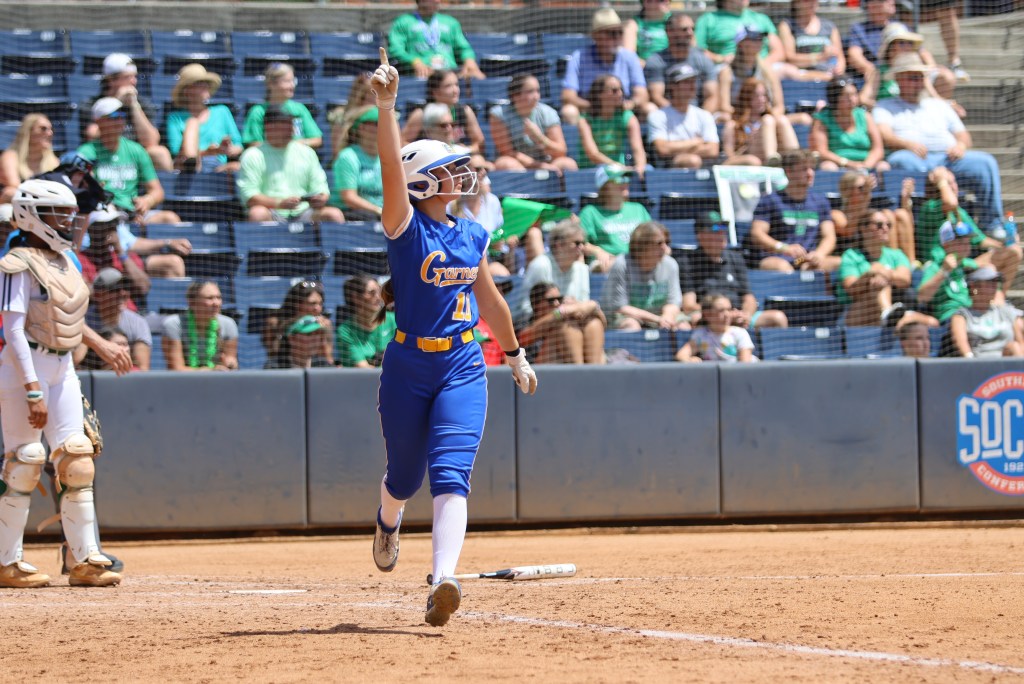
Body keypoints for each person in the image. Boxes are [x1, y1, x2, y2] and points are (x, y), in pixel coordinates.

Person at [368, 48, 536, 627]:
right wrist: (387, 108)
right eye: (447, 169)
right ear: (422, 183)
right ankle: (388, 521)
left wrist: (514, 354)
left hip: (463, 361)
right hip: (409, 364)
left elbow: (490, 301)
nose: (460, 174)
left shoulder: (469, 231)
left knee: (451, 472)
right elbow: (390, 170)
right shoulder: (406, 226)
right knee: (404, 476)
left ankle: (443, 580)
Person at [0, 179, 121, 588]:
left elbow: (66, 316)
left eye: (68, 214)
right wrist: (32, 388)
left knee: (77, 459)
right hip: (24, 367)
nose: (67, 221)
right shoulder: (16, 262)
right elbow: (14, 331)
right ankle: (6, 561)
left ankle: (85, 559)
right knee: (26, 461)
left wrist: (100, 344)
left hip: (62, 364)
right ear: (32, 215)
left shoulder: (65, 259)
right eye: (58, 214)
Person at [872, 55, 1005, 234]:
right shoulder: (884, 105)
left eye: (921, 77)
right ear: (899, 79)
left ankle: (993, 225)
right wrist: (907, 144)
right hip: (915, 159)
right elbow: (884, 135)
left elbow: (963, 136)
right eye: (913, 77)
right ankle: (914, 224)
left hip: (949, 159)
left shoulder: (939, 105)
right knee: (900, 160)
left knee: (985, 162)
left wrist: (960, 146)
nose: (919, 82)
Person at [77, 98, 180, 226]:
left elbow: (157, 191)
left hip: (133, 211)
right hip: (103, 211)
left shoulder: (136, 150)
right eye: (114, 116)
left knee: (170, 218)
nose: (120, 120)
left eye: (122, 115)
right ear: (99, 121)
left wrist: (147, 201)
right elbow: (84, 191)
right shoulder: (86, 152)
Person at [679, 211, 788, 329]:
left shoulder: (736, 258)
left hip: (738, 315)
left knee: (777, 318)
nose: (722, 233)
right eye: (715, 229)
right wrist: (723, 313)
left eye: (723, 228)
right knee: (694, 318)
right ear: (700, 236)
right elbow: (689, 305)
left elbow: (749, 298)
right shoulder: (687, 262)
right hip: (710, 318)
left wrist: (745, 315)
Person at [237, 105, 343, 224]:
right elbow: (249, 196)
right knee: (257, 213)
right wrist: (279, 203)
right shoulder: (252, 155)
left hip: (304, 212)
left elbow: (320, 187)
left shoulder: (307, 152)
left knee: (333, 214)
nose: (291, 129)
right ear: (269, 127)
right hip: (271, 211)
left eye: (291, 124)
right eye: (285, 124)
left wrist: (321, 198)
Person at [915, 166, 1020, 285]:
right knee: (990, 267)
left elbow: (981, 240)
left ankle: (999, 296)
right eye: (948, 183)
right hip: (939, 266)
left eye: (954, 182)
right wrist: (941, 181)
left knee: (1014, 251)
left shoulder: (959, 212)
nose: (954, 187)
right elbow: (950, 203)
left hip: (963, 263)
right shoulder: (930, 207)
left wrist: (1006, 244)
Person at [836, 209, 938, 328]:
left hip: (895, 311)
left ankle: (893, 316)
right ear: (863, 228)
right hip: (857, 313)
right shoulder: (851, 255)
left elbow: (905, 279)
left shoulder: (896, 254)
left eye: (888, 225)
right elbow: (850, 288)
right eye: (879, 225)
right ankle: (887, 313)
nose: (885, 228)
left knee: (933, 322)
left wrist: (881, 271)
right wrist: (869, 275)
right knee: (880, 282)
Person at [749, 149, 839, 272]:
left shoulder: (820, 202)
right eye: (804, 169)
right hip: (778, 258)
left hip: (808, 260)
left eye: (812, 168)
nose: (810, 173)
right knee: (782, 267)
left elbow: (829, 236)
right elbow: (757, 234)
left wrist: (819, 254)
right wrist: (784, 248)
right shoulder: (770, 200)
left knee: (841, 263)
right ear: (789, 172)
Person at [81, 53, 172, 171]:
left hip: (134, 153)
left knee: (160, 153)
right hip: (103, 153)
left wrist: (134, 106)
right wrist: (116, 103)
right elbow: (92, 135)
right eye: (127, 77)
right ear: (111, 80)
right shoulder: (93, 104)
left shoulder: (142, 104)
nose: (134, 82)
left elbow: (152, 141)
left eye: (135, 76)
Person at [561, 7, 649, 125]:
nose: (617, 37)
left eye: (620, 32)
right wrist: (599, 107)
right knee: (569, 111)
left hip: (623, 113)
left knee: (650, 109)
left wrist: (630, 104)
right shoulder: (578, 57)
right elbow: (567, 96)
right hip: (590, 113)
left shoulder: (630, 57)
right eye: (611, 33)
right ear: (595, 36)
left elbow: (642, 94)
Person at [602, 220, 686, 330]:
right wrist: (657, 319)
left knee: (683, 326)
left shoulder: (670, 264)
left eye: (667, 242)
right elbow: (620, 307)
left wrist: (667, 317)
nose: (665, 248)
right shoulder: (622, 265)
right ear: (641, 246)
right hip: (626, 317)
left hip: (659, 316)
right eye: (659, 243)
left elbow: (673, 302)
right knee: (631, 325)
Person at [490, 74, 577, 174]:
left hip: (547, 162)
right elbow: (507, 152)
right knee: (506, 163)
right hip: (519, 163)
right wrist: (538, 166)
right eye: (530, 91)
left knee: (568, 163)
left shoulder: (548, 113)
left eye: (538, 91)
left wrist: (539, 138)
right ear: (515, 95)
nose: (536, 96)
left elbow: (561, 151)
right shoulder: (499, 114)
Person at [859, 23, 956, 111]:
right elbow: (863, 99)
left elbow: (933, 96)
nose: (907, 46)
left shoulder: (916, 70)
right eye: (901, 42)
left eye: (909, 43)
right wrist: (885, 109)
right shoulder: (879, 71)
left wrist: (948, 104)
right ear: (890, 47)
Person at [165, 63, 243, 173]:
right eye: (200, 83)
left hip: (219, 168)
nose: (206, 86)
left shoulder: (222, 111)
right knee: (192, 122)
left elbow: (238, 145)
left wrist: (228, 149)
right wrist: (208, 152)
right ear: (187, 90)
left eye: (207, 83)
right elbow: (177, 152)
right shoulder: (175, 118)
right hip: (189, 170)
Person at [79, 205, 189, 282]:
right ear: (92, 229)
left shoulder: (126, 257)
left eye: (114, 225)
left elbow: (144, 287)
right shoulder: (81, 259)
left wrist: (121, 253)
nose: (111, 230)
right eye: (105, 225)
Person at [401, 69, 486, 162]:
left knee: (477, 160)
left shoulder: (465, 111)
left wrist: (467, 149)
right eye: (448, 86)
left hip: (457, 160)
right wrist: (424, 151)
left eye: (456, 85)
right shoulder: (421, 114)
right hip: (428, 161)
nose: (455, 90)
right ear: (435, 92)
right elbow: (402, 143)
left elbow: (479, 142)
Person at [579, 165, 652, 272]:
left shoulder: (638, 209)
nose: (625, 183)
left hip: (638, 260)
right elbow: (579, 243)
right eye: (620, 179)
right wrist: (597, 250)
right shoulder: (590, 212)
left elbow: (652, 237)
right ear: (604, 185)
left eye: (627, 178)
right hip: (607, 262)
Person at [386, 0, 484, 80]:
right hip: (421, 75)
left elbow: (464, 48)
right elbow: (395, 50)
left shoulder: (451, 22)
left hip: (449, 74)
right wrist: (414, 61)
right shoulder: (403, 22)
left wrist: (469, 61)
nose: (438, 1)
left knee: (477, 77)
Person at [77, 267, 152, 371]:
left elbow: (142, 368)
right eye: (115, 289)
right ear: (98, 294)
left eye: (125, 288)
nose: (123, 293)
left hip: (124, 375)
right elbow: (76, 360)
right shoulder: (82, 319)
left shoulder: (137, 322)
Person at [810, 76, 890, 173]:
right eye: (847, 96)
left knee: (884, 166)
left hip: (866, 165)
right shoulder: (822, 119)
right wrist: (848, 163)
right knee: (828, 167)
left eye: (855, 94)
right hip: (839, 165)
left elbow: (878, 149)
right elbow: (821, 151)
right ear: (835, 98)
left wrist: (866, 166)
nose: (852, 99)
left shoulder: (865, 116)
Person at [831, 169, 914, 262]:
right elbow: (849, 230)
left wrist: (905, 200)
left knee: (901, 214)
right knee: (885, 216)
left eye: (867, 187)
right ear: (847, 191)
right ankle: (892, 262)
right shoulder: (837, 214)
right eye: (862, 188)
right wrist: (866, 197)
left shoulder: (871, 212)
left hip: (874, 252)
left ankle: (911, 263)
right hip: (856, 258)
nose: (866, 191)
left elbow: (909, 225)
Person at [647, 63, 720, 169]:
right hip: (668, 168)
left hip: (702, 167)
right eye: (686, 82)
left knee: (693, 160)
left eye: (693, 81)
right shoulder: (658, 116)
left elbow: (713, 150)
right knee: (692, 160)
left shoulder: (704, 115)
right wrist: (695, 142)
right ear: (673, 85)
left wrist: (675, 146)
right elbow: (662, 149)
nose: (692, 86)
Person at [644, 12, 719, 114]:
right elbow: (656, 97)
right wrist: (680, 116)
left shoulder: (702, 59)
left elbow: (712, 96)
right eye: (684, 29)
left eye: (692, 29)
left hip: (698, 114)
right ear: (669, 32)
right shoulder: (656, 61)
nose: (690, 33)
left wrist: (699, 118)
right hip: (668, 114)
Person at [518, 281, 606, 365]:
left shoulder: (567, 314)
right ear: (536, 304)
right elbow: (523, 338)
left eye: (559, 299)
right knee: (566, 328)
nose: (557, 303)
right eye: (551, 300)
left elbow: (604, 324)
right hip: (537, 369)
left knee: (593, 323)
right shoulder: (526, 321)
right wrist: (562, 312)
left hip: (570, 363)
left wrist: (593, 305)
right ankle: (580, 372)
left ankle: (593, 371)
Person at [520, 219, 593, 320]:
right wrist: (561, 309)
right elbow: (526, 308)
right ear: (559, 245)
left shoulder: (582, 269)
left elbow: (585, 304)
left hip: (574, 321)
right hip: (542, 323)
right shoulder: (541, 265)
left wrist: (574, 306)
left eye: (583, 243)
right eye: (577, 243)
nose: (582, 247)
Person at [242, 62, 323, 149]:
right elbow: (254, 143)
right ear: (271, 84)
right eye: (287, 81)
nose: (292, 85)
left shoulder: (299, 109)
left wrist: (296, 144)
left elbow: (316, 140)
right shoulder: (258, 112)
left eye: (293, 81)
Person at [161, 280, 239, 371]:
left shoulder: (228, 324)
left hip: (219, 378)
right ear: (192, 302)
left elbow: (230, 358)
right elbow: (176, 369)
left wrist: (230, 364)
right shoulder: (173, 324)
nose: (216, 303)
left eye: (218, 297)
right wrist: (209, 371)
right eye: (210, 298)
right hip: (184, 379)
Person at [578, 74, 648, 174]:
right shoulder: (585, 120)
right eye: (614, 90)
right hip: (591, 173)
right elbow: (593, 154)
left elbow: (638, 149)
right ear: (599, 94)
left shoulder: (628, 116)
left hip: (619, 172)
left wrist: (640, 168)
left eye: (621, 90)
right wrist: (618, 167)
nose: (620, 94)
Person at [949, 267, 1024, 358]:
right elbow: (961, 344)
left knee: (1014, 347)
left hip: (1007, 363)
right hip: (979, 362)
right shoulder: (962, 315)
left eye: (995, 283)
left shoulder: (1006, 311)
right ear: (974, 287)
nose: (995, 286)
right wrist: (970, 361)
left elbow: (1021, 343)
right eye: (990, 282)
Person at [722, 77, 798, 167]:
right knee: (768, 120)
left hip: (774, 155)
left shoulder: (772, 120)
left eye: (764, 95)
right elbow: (729, 158)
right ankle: (771, 159)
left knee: (782, 120)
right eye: (756, 96)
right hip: (748, 157)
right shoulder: (733, 125)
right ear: (746, 98)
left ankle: (796, 158)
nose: (762, 100)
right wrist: (748, 144)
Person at [916, 219, 978, 323]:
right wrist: (944, 271)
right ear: (947, 244)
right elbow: (922, 296)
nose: (967, 246)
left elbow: (983, 264)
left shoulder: (963, 263)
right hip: (950, 318)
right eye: (961, 242)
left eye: (968, 242)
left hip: (969, 314)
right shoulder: (935, 266)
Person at [328, 105, 383, 222]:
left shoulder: (388, 157)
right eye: (376, 123)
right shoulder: (348, 156)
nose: (383, 127)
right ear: (361, 128)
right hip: (353, 213)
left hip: (382, 212)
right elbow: (349, 198)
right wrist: (378, 210)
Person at [695, 0, 782, 70]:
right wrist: (720, 58)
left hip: (764, 67)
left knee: (786, 70)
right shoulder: (708, 19)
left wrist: (758, 68)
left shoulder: (761, 18)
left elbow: (779, 51)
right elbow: (696, 50)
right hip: (725, 68)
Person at [334, 275, 396, 368]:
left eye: (380, 291)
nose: (378, 297)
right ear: (355, 297)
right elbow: (364, 370)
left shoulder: (395, 320)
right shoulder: (345, 331)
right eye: (372, 293)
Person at [676, 292, 756, 362]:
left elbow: (745, 364)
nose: (727, 314)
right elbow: (681, 355)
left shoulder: (740, 333)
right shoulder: (700, 334)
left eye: (729, 309)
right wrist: (690, 360)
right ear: (707, 314)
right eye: (721, 310)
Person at [776, 0, 845, 81]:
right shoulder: (787, 25)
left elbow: (840, 55)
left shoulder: (829, 25)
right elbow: (789, 58)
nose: (812, 3)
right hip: (800, 75)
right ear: (796, 3)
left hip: (830, 75)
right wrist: (820, 57)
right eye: (807, 0)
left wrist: (839, 69)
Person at [0, 113, 60, 204]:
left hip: (45, 204)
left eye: (51, 129)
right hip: (17, 204)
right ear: (28, 131)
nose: (50, 133)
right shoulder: (10, 156)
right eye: (43, 129)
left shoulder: (54, 161)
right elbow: (14, 185)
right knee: (11, 193)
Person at [418, 103, 489, 172]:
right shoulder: (421, 157)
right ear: (428, 129)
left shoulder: (463, 152)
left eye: (452, 125)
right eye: (443, 125)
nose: (450, 129)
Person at [329, 73, 378, 161]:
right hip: (349, 162)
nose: (374, 99)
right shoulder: (341, 115)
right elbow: (337, 153)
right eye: (366, 95)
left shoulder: (385, 115)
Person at [265, 314, 335, 369]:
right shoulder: (274, 367)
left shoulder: (325, 366)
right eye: (309, 334)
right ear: (292, 338)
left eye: (318, 334)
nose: (315, 339)